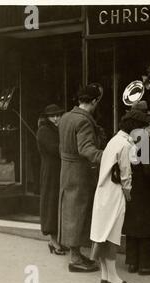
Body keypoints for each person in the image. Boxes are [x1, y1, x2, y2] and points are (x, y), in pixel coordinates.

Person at [90, 110, 149, 283]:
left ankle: (105, 275)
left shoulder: (114, 141)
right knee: (113, 236)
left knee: (103, 234)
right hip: (115, 194)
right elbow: (125, 174)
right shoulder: (125, 145)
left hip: (103, 193)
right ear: (135, 128)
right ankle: (113, 277)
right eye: (142, 129)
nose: (143, 133)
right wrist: (129, 193)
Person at [58, 83, 104, 272]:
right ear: (93, 101)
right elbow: (86, 149)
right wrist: (107, 157)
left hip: (67, 169)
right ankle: (75, 259)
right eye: (97, 102)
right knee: (78, 213)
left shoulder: (66, 117)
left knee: (70, 210)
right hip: (80, 172)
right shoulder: (84, 121)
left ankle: (75, 254)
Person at [122, 101, 150, 275]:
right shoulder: (144, 138)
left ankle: (132, 262)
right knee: (147, 225)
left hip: (130, 185)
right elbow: (148, 168)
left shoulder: (126, 135)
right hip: (144, 188)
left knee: (132, 223)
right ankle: (146, 264)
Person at [36, 104, 65, 255]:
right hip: (51, 173)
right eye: (52, 116)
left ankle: (56, 241)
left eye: (58, 115)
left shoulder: (57, 129)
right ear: (47, 117)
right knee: (51, 206)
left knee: (58, 205)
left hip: (59, 171)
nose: (55, 118)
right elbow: (55, 149)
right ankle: (54, 242)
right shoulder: (44, 131)